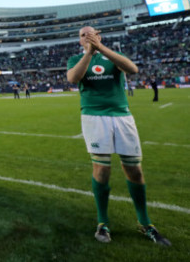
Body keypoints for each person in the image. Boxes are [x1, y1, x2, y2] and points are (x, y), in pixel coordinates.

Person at [67, 26, 171, 246]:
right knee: (101, 170)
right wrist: (89, 52)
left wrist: (101, 48)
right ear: (79, 41)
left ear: (99, 36)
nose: (87, 36)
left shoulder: (113, 56)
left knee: (134, 170)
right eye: (83, 35)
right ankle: (102, 223)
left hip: (122, 117)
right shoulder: (76, 58)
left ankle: (145, 223)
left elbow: (131, 69)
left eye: (91, 33)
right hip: (94, 117)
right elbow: (73, 78)